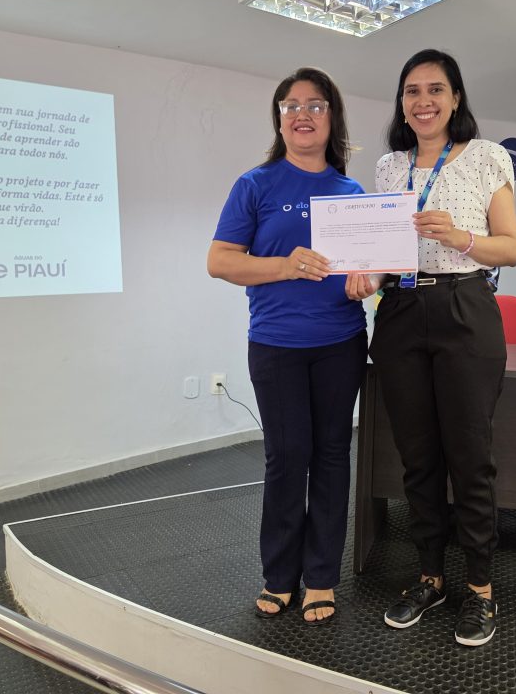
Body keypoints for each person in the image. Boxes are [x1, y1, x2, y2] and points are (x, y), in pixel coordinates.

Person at [346, 49, 516, 647]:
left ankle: (480, 588)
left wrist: (462, 236)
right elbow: (384, 253)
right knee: (417, 457)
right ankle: (430, 577)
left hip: (464, 306)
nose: (423, 101)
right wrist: (365, 276)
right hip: (399, 311)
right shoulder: (389, 168)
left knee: (469, 456)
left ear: (455, 98)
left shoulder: (487, 156)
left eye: (435, 89)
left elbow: (511, 248)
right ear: (402, 103)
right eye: (412, 91)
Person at [207, 67, 367, 625]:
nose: (303, 114)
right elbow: (220, 261)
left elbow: (370, 269)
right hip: (276, 345)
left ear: (331, 117)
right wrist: (285, 265)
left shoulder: (351, 194)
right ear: (279, 120)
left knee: (331, 455)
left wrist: (367, 280)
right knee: (286, 457)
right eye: (291, 106)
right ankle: (279, 576)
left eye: (315, 105)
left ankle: (321, 577)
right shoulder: (255, 185)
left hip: (341, 342)